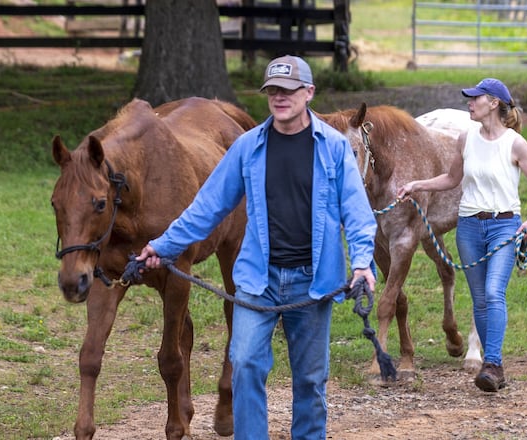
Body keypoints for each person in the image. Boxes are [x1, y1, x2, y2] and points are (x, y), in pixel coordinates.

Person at [135, 55, 377, 439]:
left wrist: (363, 262)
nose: (280, 98)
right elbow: (207, 207)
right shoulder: (249, 147)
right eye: (273, 91)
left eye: (289, 90)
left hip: (313, 282)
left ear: (308, 93)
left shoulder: (333, 148)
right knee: (245, 363)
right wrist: (162, 246)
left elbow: (358, 213)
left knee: (311, 381)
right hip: (256, 280)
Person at [397, 78, 527, 392]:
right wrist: (417, 185)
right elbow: (452, 179)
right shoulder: (466, 139)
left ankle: (491, 363)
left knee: (494, 293)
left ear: (493, 103)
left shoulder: (515, 143)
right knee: (480, 300)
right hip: (469, 227)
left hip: (504, 227)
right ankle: (495, 367)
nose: (469, 103)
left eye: (475, 99)